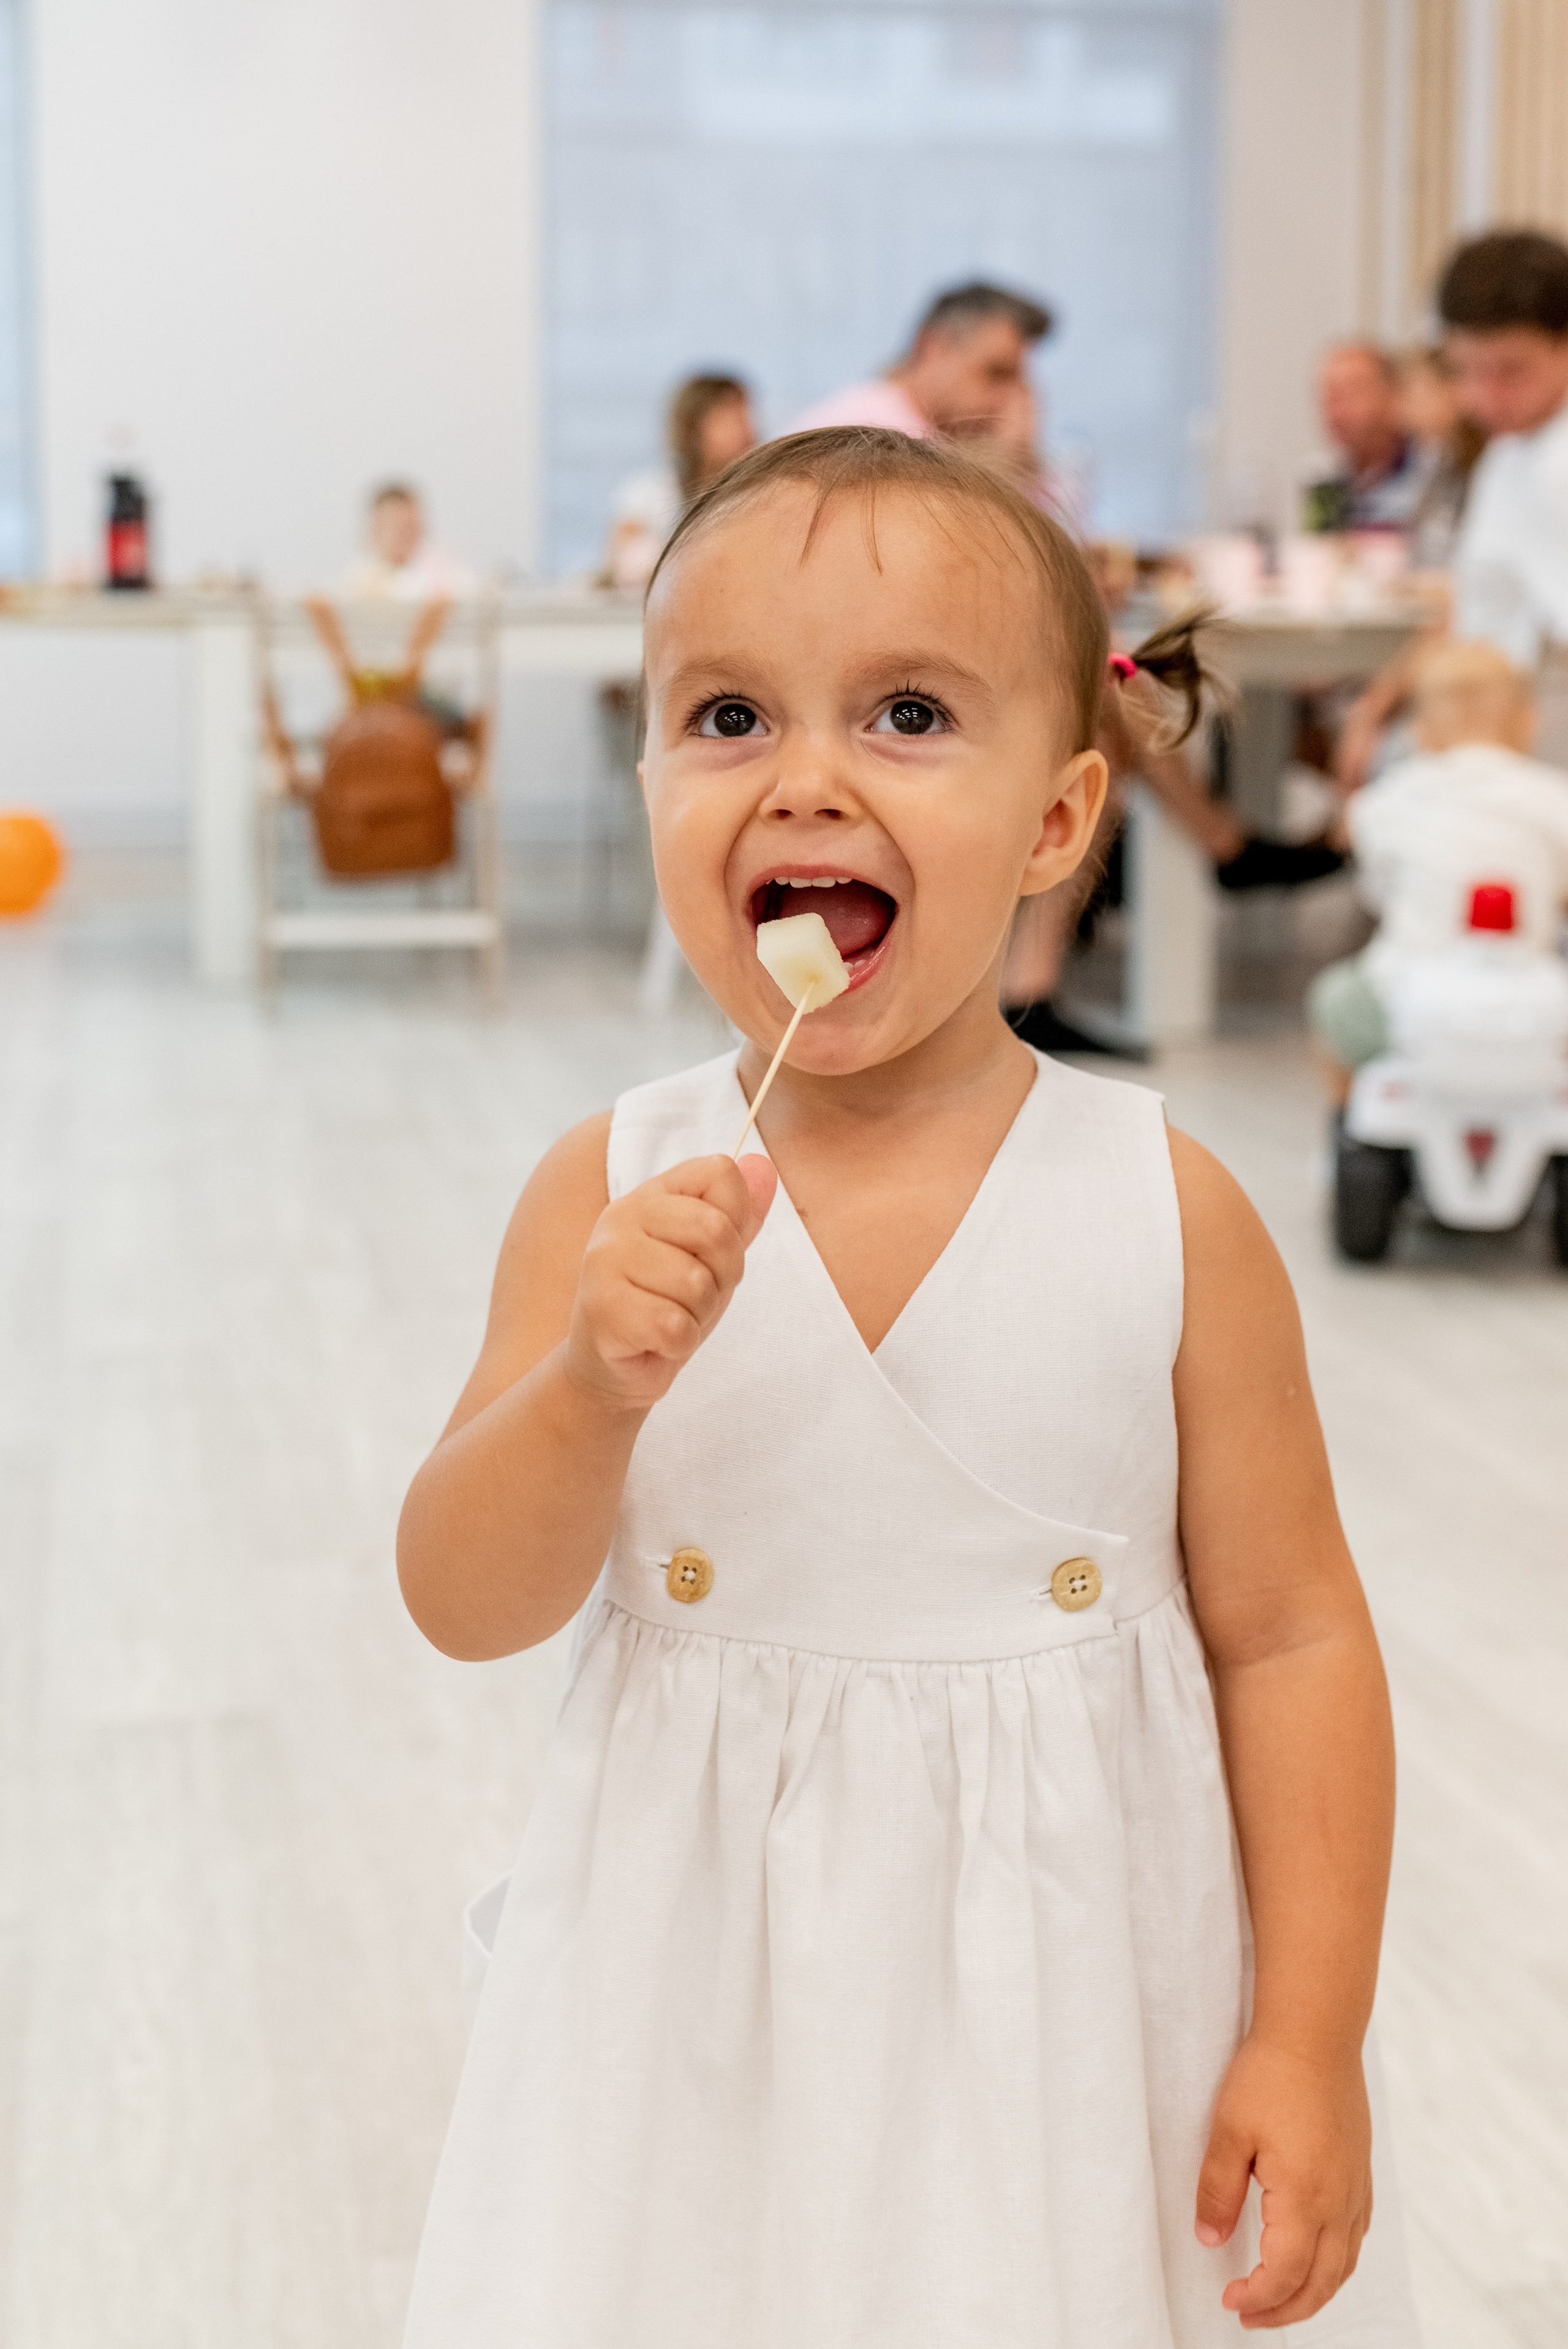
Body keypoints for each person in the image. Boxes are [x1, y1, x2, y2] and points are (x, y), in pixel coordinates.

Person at [397, 426, 1419, 2345]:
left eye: (906, 716)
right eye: (723, 715)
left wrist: (1309, 2031)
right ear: (646, 783)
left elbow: (1289, 1637)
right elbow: (463, 1600)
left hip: (1061, 1997)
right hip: (679, 2007)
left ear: (1053, 825)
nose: (804, 778)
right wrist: (580, 1396)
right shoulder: (607, 1186)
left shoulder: (1162, 1211)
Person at [1335, 230, 1568, 790]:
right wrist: (1378, 704)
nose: (1485, 397)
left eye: (1511, 371)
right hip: (1484, 749)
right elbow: (1472, 605)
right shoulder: (1510, 453)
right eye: (1469, 370)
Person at [1310, 639, 1568, 1102]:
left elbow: (1352, 841)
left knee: (1334, 998)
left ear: (1419, 733)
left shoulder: (1394, 797)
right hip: (1528, 1020)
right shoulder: (1553, 798)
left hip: (1408, 1012)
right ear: (1530, 722)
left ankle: (1349, 1120)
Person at [791, 279, 1052, 442]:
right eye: (996, 373)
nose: (1006, 399)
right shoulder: (867, 437)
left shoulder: (923, 434)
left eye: (1018, 381)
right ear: (933, 348)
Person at [605, 373, 758, 589]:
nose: (748, 431)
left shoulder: (759, 497)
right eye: (731, 419)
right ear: (693, 428)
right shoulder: (645, 493)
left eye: (747, 416)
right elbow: (624, 567)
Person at [1303, 341, 1424, 534]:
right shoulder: (1324, 479)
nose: (1336, 411)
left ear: (1392, 395)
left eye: (1350, 394)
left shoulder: (1432, 470)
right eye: (1329, 396)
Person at [1398, 345, 1487, 575]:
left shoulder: (1486, 466)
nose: (1404, 410)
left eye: (1416, 395)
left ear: (1455, 390)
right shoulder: (1438, 459)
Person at [337, 481, 472, 601]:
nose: (403, 535)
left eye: (410, 527)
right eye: (393, 526)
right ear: (375, 531)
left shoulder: (448, 571)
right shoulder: (359, 577)